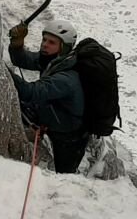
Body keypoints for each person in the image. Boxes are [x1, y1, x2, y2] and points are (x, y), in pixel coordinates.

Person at [8, 17, 88, 174]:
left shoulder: (66, 78)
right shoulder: (52, 60)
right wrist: (17, 43)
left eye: (51, 42)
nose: (44, 44)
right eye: (44, 39)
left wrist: (3, 70)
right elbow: (22, 59)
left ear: (64, 47)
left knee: (64, 175)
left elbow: (29, 92)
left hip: (69, 136)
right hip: (56, 117)